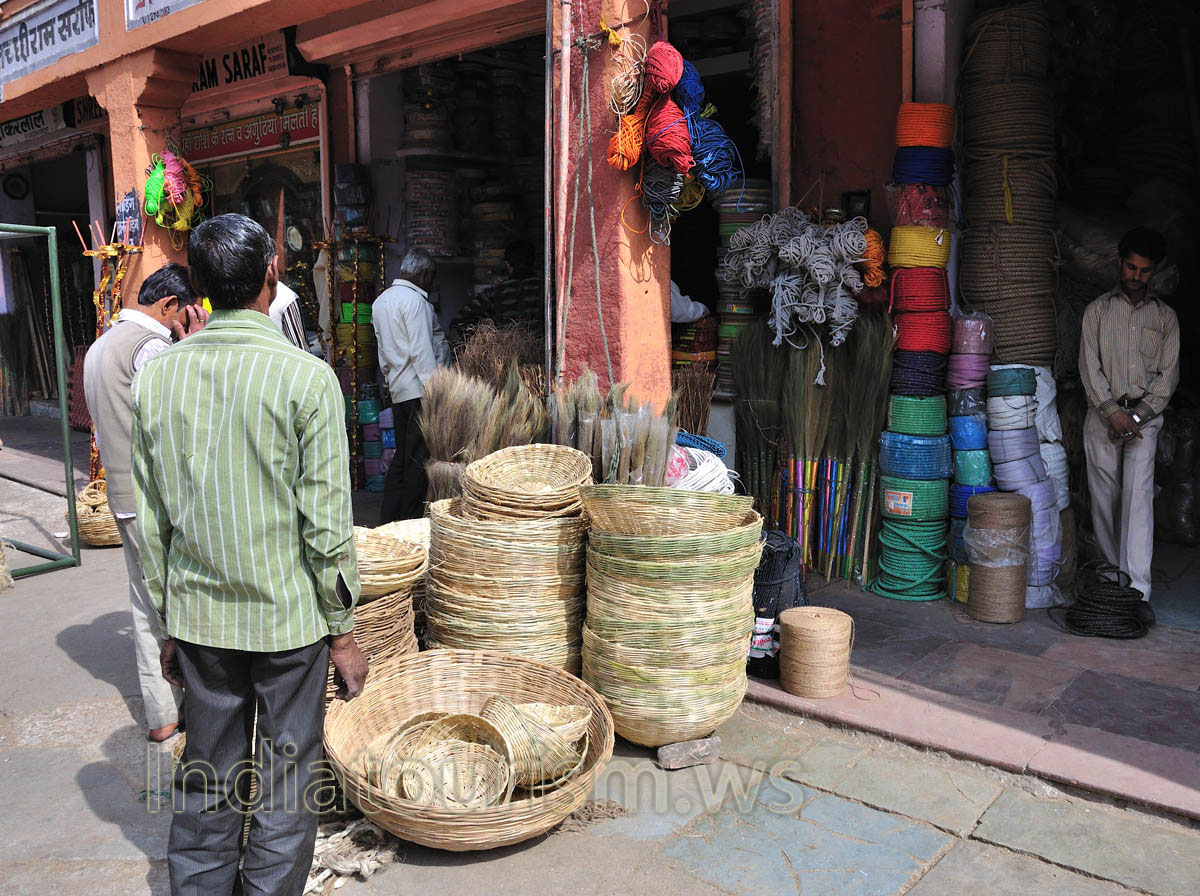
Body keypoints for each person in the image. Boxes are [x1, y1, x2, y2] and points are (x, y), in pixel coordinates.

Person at [131, 214, 367, 896]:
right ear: (272, 273)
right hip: (288, 623)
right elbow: (327, 526)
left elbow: (151, 526)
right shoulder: (308, 379)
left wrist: (169, 622)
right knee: (288, 773)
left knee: (209, 769)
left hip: (202, 620)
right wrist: (344, 631)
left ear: (197, 287)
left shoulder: (157, 379)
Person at [83, 263, 207, 743]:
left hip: (120, 491)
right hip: (150, 496)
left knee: (144, 602)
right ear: (171, 305)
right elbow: (174, 419)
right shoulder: (148, 345)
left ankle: (162, 714)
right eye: (188, 309)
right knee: (178, 603)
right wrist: (191, 346)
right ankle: (194, 707)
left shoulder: (101, 346)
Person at [1079, 226, 1180, 605]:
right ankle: (1109, 578)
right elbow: (1089, 366)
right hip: (1102, 415)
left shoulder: (1166, 318)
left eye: (1145, 271)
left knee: (1138, 500)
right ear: (1120, 263)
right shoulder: (1097, 312)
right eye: (1131, 268)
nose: (1136, 277)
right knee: (1103, 499)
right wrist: (1110, 412)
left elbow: (1168, 377)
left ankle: (1136, 590)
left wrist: (1136, 417)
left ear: (1155, 271)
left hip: (1145, 420)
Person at [372, 247, 449, 523]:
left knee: (403, 458)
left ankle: (390, 516)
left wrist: (391, 383)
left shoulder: (381, 302)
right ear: (424, 275)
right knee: (417, 460)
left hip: (398, 391)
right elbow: (421, 354)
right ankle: (409, 519)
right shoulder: (415, 302)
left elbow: (383, 355)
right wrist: (437, 393)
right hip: (419, 392)